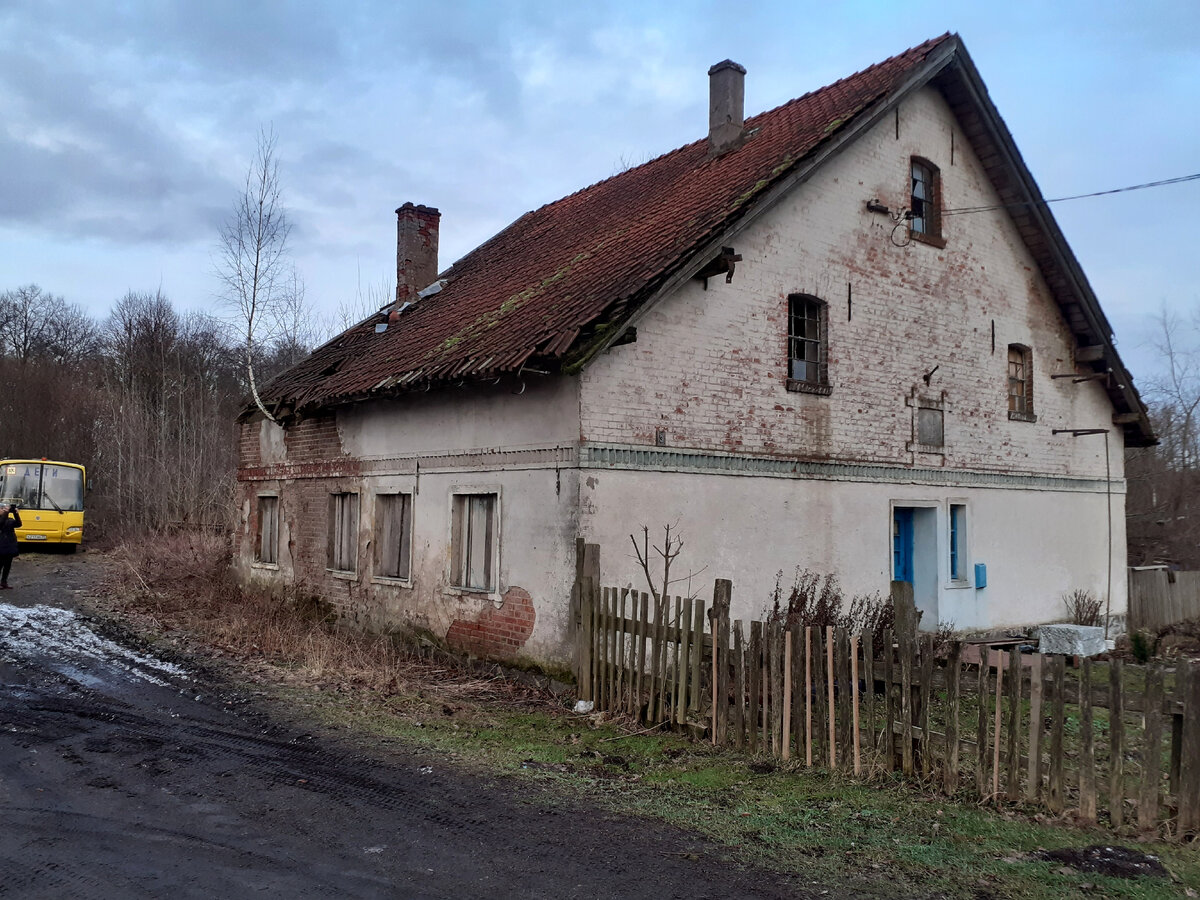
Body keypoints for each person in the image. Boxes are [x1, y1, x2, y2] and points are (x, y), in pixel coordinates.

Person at [0, 503, 20, 589]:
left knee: (7, 565)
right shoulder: (3, 519)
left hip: (9, 545)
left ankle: (4, 582)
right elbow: (0, 524)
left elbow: (19, 524)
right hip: (1, 545)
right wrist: (6, 512)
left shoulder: (9, 519)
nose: (3, 510)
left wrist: (16, 513)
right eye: (2, 508)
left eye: (4, 508)